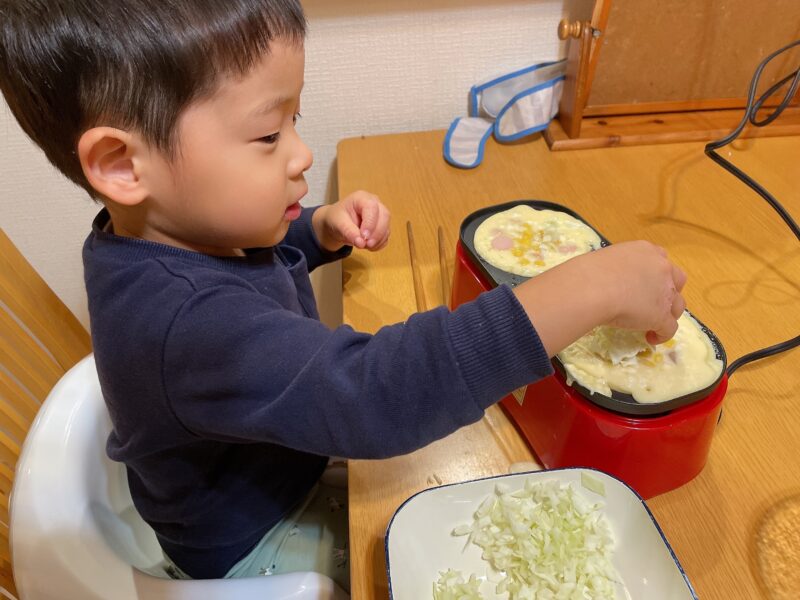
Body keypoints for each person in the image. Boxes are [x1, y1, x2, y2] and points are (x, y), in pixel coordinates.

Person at [0, 0, 686, 591]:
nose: (299, 154)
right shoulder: (183, 325)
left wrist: (312, 233)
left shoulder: (158, 234)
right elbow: (377, 393)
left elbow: (237, 271)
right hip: (252, 551)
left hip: (277, 464)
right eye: (269, 134)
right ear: (122, 165)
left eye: (294, 121)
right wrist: (594, 286)